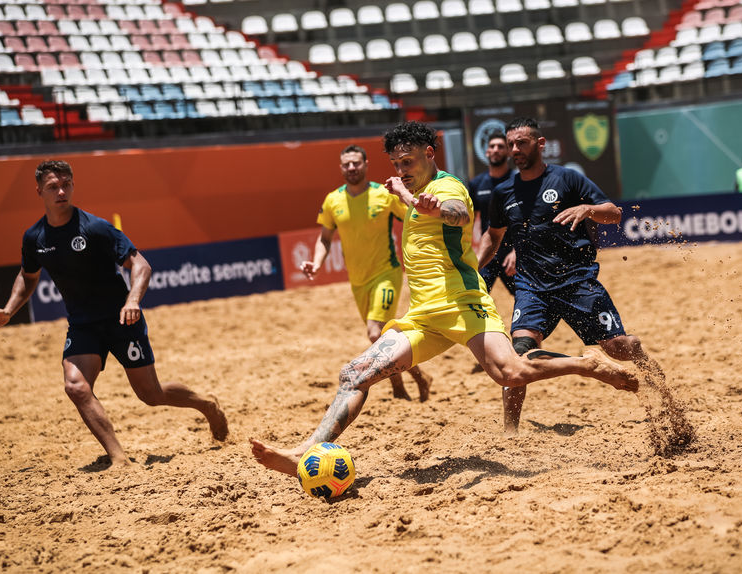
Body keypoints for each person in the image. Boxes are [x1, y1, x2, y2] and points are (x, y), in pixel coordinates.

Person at [251, 121, 639, 478]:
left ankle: (587, 364)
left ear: (429, 154)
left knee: (510, 374)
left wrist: (434, 207)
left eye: (409, 160)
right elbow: (419, 206)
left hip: (462, 305)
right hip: (422, 317)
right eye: (397, 162)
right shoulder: (412, 192)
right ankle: (307, 450)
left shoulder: (447, 188)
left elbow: (455, 213)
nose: (402, 168)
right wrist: (409, 196)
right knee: (355, 373)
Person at [0, 160, 228, 468]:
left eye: (66, 184)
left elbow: (141, 265)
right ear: (39, 192)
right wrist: (8, 310)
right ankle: (119, 458)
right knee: (75, 386)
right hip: (83, 325)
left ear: (72, 185)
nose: (61, 191)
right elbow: (28, 276)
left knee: (150, 394)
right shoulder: (35, 238)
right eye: (53, 187)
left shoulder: (95, 228)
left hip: (122, 319)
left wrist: (133, 300)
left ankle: (206, 405)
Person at [478, 117, 692, 451]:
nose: (514, 150)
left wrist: (588, 209)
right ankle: (510, 433)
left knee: (620, 348)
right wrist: (473, 268)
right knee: (519, 353)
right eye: (511, 144)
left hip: (577, 282)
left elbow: (614, 213)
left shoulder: (567, 178)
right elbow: (493, 237)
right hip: (532, 288)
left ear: (540, 143)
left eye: (521, 143)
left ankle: (657, 382)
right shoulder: (504, 191)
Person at [301, 144, 432, 402]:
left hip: (387, 272)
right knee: (384, 337)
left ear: (366, 164)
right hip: (358, 282)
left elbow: (414, 218)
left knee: (376, 333)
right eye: (346, 164)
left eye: (356, 163)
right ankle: (419, 378)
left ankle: (399, 388)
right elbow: (325, 239)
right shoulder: (332, 200)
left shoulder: (383, 194)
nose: (351, 168)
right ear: (341, 168)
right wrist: (317, 263)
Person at [467, 133, 516, 295]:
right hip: (488, 252)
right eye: (492, 146)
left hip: (514, 253)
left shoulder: (517, 180)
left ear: (509, 152)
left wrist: (517, 252)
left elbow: (528, 218)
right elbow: (468, 220)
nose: (496, 150)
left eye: (501, 147)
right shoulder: (476, 184)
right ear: (486, 152)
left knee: (529, 297)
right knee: (475, 296)